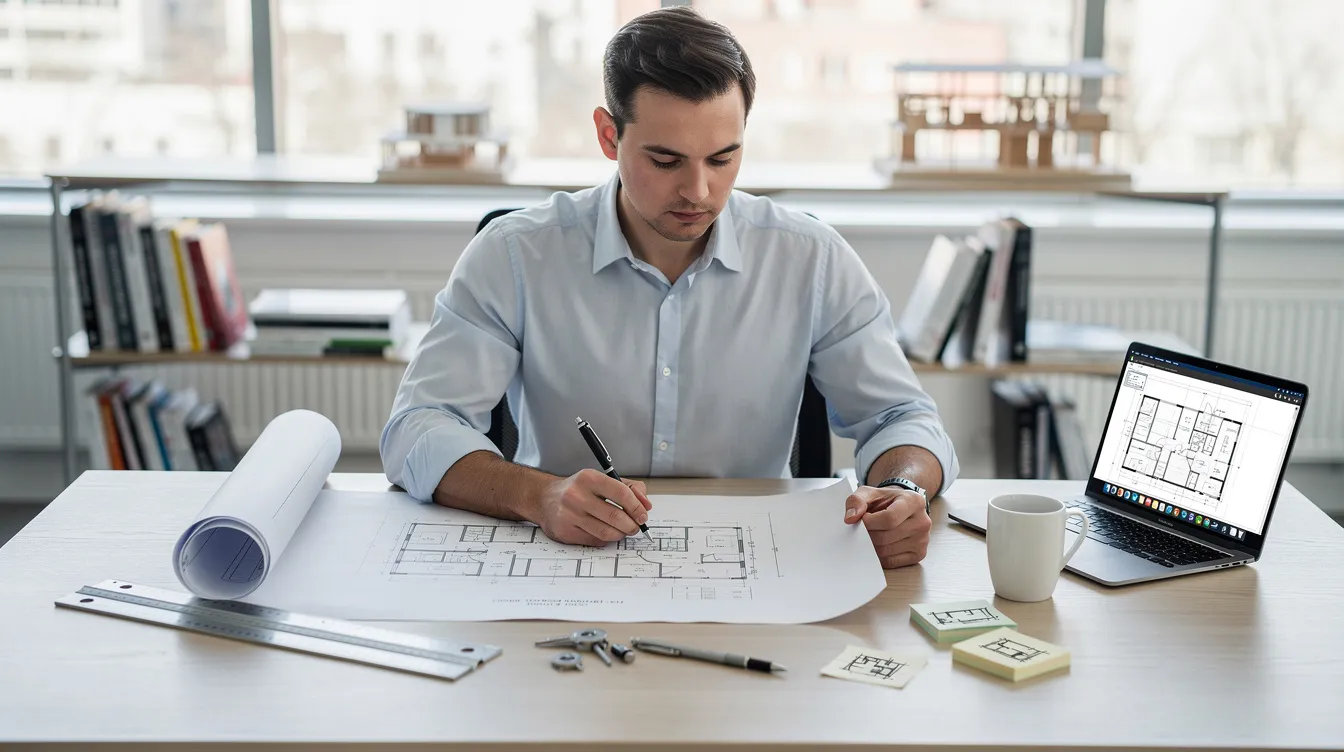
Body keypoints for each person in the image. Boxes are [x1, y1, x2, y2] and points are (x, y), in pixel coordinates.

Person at [380, 6, 958, 569]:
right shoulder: (514, 254)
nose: (699, 191)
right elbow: (418, 427)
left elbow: (902, 417)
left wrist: (904, 487)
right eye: (665, 160)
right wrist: (540, 496)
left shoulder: (812, 258)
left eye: (723, 158)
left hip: (761, 564)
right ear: (609, 136)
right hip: (567, 563)